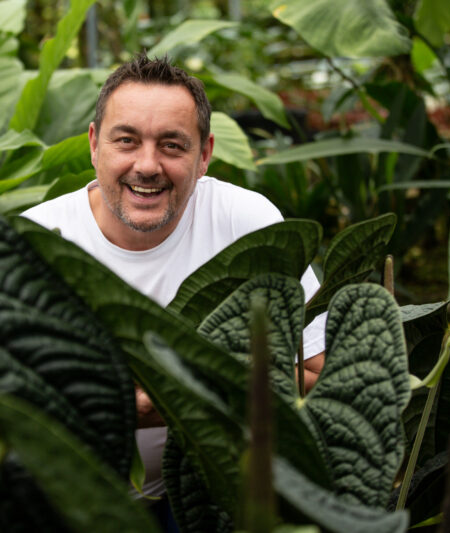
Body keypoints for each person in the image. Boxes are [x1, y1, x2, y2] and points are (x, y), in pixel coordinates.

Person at [21, 54, 326, 522]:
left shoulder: (246, 225)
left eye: (172, 145)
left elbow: (316, 373)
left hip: (210, 496)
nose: (148, 165)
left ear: (204, 154)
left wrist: (173, 399)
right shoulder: (36, 241)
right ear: (93, 144)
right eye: (126, 141)